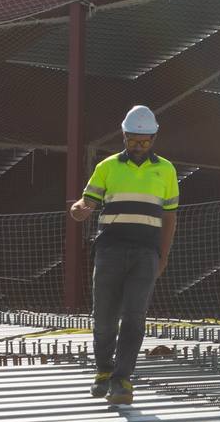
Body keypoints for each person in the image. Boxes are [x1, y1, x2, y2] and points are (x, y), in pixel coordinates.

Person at [69, 105, 179, 405]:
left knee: (134, 317)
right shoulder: (107, 167)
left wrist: (163, 256)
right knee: (104, 316)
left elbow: (170, 217)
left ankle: (123, 380)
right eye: (133, 140)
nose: (139, 146)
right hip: (110, 250)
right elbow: (85, 203)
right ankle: (104, 371)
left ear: (154, 138)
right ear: (124, 136)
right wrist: (79, 210)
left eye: (144, 141)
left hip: (146, 253)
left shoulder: (166, 170)